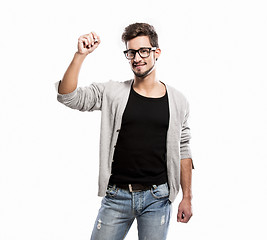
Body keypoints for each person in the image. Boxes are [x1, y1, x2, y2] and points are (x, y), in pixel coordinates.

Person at [55, 22, 194, 240]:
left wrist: (187, 197)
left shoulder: (178, 101)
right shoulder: (112, 92)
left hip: (158, 198)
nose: (137, 58)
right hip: (116, 196)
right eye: (131, 52)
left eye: (143, 51)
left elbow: (183, 149)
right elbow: (68, 96)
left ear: (156, 53)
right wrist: (80, 55)